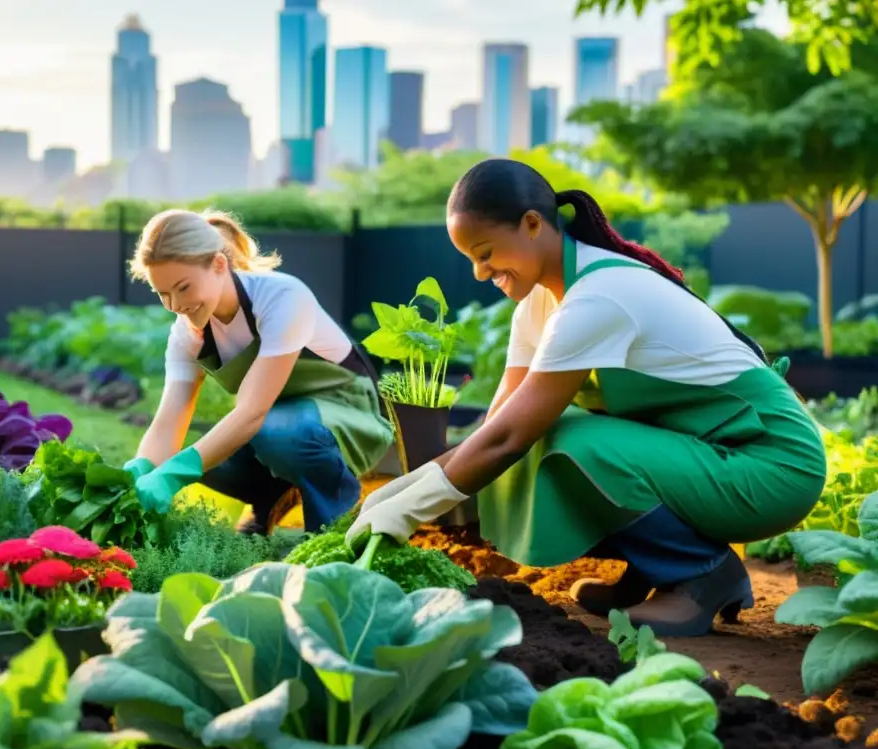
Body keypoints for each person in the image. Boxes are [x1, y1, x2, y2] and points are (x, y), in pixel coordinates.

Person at [346, 158, 827, 637]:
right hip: (708, 455)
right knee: (547, 439)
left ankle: (700, 575)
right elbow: (496, 425)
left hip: (772, 465)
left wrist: (408, 511)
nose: (479, 272)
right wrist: (401, 493)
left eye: (486, 252)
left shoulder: (598, 297)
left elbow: (511, 437)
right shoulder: (538, 305)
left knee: (571, 443)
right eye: (471, 258)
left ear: (532, 225)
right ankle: (655, 570)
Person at [125, 209, 393, 534]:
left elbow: (252, 411)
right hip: (276, 421)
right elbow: (169, 420)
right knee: (207, 458)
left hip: (348, 411)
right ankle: (271, 501)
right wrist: (141, 470)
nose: (174, 305)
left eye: (183, 288)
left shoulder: (281, 297)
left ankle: (336, 522)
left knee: (271, 435)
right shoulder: (188, 335)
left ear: (219, 265)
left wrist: (175, 473)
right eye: (162, 293)